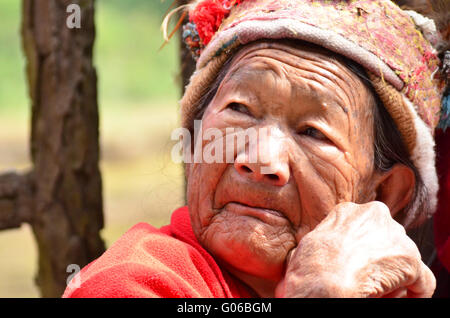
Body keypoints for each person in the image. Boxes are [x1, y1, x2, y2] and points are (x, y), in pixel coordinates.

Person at [63, 0, 449, 298]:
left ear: (384, 193)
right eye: (240, 109)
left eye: (313, 132)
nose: (259, 160)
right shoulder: (131, 283)